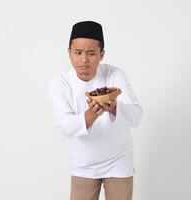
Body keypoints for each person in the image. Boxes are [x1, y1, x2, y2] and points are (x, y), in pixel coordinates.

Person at [49, 21, 142, 200]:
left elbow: (136, 116)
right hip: (83, 163)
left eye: (91, 53)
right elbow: (65, 126)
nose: (84, 60)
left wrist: (114, 108)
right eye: (78, 53)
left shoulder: (114, 75)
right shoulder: (60, 83)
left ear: (102, 54)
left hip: (118, 161)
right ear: (69, 53)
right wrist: (91, 115)